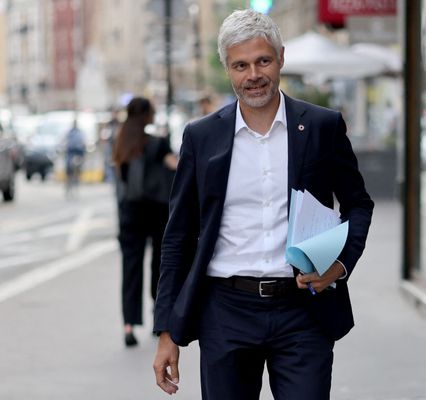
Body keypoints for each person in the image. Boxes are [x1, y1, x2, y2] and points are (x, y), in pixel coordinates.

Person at [152, 9, 373, 400]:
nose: (253, 74)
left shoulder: (321, 126)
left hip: (304, 310)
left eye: (262, 61)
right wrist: (167, 331)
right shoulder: (201, 137)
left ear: (280, 58)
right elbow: (178, 237)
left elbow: (358, 205)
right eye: (240, 65)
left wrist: (339, 266)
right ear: (228, 69)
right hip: (225, 311)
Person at [112, 97, 178, 347]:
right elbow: (177, 165)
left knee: (131, 268)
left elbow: (121, 181)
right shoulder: (157, 143)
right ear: (147, 115)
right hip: (157, 211)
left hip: (130, 213)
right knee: (159, 266)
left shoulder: (121, 143)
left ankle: (128, 325)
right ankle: (156, 319)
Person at [64, 118, 86, 197]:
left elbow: (83, 144)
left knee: (77, 170)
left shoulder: (79, 133)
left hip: (77, 153)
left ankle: (76, 183)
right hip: (71, 153)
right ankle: (68, 187)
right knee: (69, 171)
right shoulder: (70, 133)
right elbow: (65, 142)